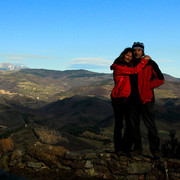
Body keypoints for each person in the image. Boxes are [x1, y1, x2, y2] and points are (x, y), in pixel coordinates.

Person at [110, 47, 150, 154]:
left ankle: (126, 148)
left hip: (127, 99)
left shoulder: (128, 65)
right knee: (119, 124)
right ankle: (118, 149)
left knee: (129, 124)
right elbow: (134, 70)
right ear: (122, 55)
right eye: (127, 55)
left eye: (131, 56)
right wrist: (144, 60)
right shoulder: (119, 67)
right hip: (118, 98)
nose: (129, 57)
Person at [129, 42, 164, 159]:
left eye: (139, 50)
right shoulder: (130, 63)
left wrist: (148, 86)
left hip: (146, 99)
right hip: (132, 100)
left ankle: (155, 150)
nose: (136, 52)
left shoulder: (150, 63)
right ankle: (137, 149)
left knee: (150, 126)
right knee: (134, 126)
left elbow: (160, 79)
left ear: (142, 51)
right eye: (134, 50)